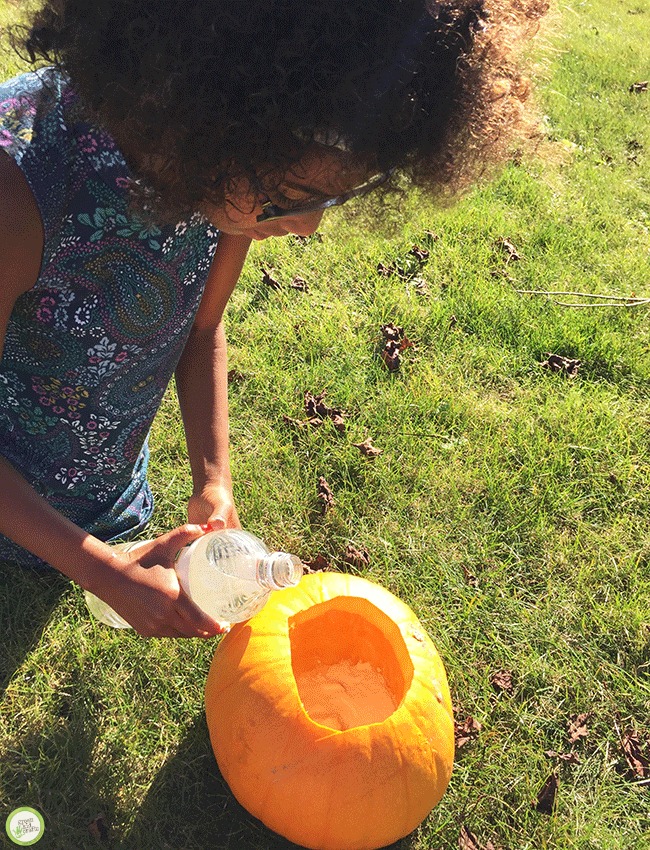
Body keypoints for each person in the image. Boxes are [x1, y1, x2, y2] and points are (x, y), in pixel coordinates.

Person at [0, 0, 547, 637]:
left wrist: (213, 479)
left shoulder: (228, 170)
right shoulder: (19, 186)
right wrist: (104, 576)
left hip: (111, 500)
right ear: (208, 116)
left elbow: (199, 331)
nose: (307, 225)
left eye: (335, 198)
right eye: (289, 199)